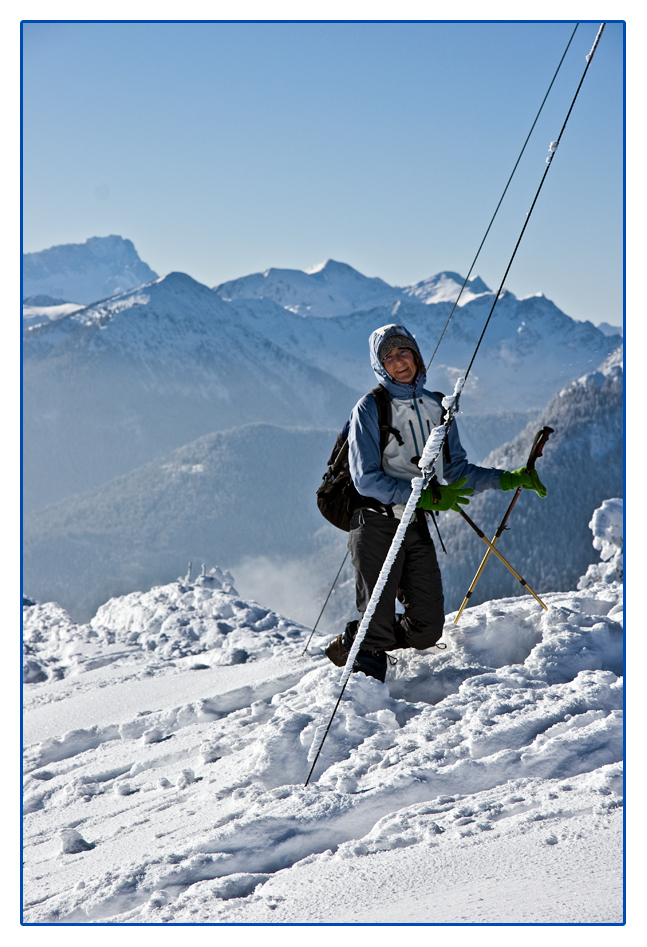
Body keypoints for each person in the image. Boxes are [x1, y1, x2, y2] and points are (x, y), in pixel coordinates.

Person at [324, 323, 546, 682]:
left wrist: (508, 478)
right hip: (375, 522)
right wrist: (420, 493)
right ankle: (364, 695)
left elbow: (457, 471)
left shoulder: (437, 406)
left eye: (403, 352)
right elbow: (365, 479)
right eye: (389, 357)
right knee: (377, 629)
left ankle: (358, 636)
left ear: (416, 355)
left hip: (414, 523)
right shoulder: (369, 408)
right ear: (380, 366)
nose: (399, 362)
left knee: (427, 629)